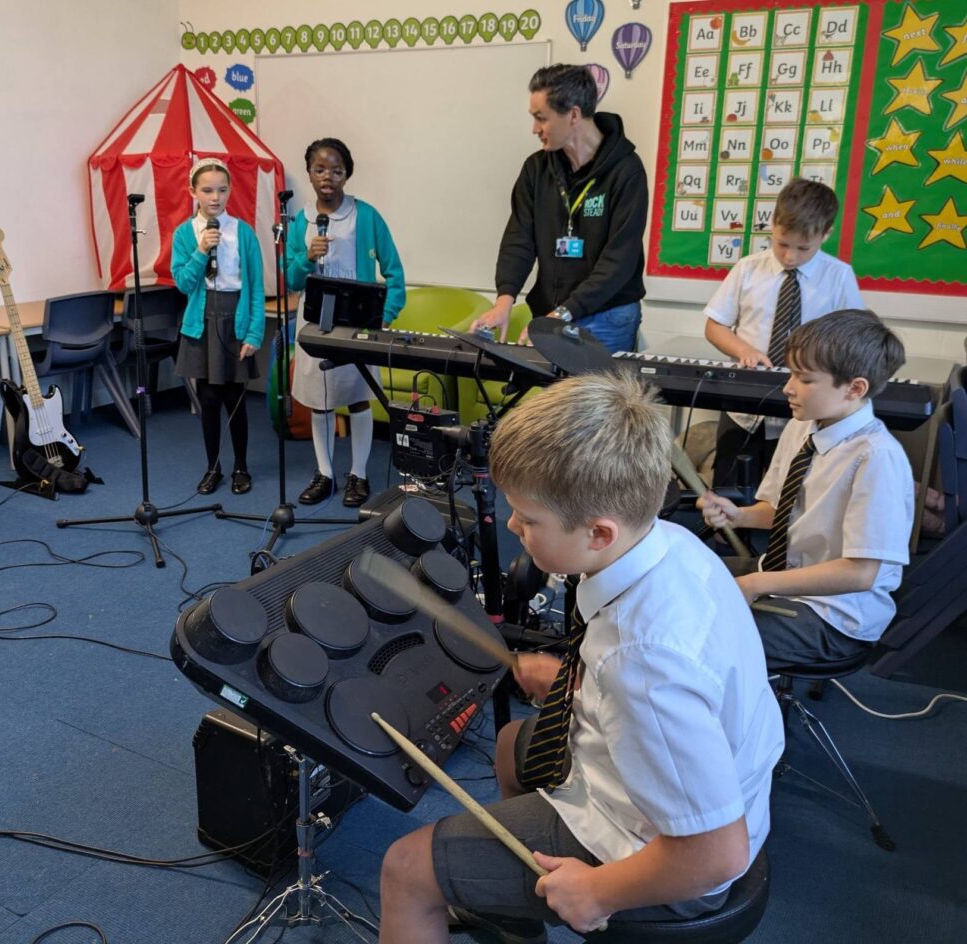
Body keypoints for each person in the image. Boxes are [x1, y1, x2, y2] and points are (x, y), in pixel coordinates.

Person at [379, 372, 784, 944]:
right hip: (690, 791)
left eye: (528, 518)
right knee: (507, 747)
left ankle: (483, 891)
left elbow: (714, 853)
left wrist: (597, 891)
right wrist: (577, 683)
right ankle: (512, 915)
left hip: (671, 863)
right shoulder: (670, 541)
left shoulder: (642, 661)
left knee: (406, 868)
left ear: (598, 532)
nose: (513, 526)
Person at [699, 309, 913, 671]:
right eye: (791, 373)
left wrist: (756, 583)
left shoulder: (877, 458)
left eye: (805, 378)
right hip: (782, 578)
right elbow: (782, 510)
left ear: (854, 389)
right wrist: (739, 516)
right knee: (672, 582)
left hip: (834, 617)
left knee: (693, 636)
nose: (788, 387)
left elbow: (860, 573)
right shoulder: (804, 426)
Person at [470, 64, 648, 354]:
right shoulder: (536, 169)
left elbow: (618, 262)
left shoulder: (626, 171)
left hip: (607, 316)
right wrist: (505, 299)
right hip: (552, 312)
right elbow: (519, 239)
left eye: (542, 119)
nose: (535, 129)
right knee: (552, 400)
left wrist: (562, 315)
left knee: (597, 400)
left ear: (574, 115)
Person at [704, 177, 863, 488]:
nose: (790, 256)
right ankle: (724, 537)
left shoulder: (839, 276)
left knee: (789, 491)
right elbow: (715, 325)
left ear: (825, 234)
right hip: (744, 404)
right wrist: (742, 350)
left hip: (806, 407)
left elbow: (855, 338)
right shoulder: (748, 269)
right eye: (781, 244)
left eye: (803, 248)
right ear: (772, 225)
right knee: (728, 487)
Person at [287, 137, 405, 507]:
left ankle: (359, 474)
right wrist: (306, 258)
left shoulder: (366, 215)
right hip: (314, 324)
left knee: (357, 399)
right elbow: (290, 279)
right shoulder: (299, 221)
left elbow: (394, 272)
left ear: (346, 174)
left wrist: (382, 316)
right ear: (309, 173)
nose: (328, 176)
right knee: (319, 402)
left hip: (357, 325)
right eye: (320, 169)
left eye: (336, 170)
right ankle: (325, 473)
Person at [172, 157, 264, 495]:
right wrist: (200, 251)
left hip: (234, 319)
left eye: (222, 190)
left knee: (234, 398)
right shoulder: (185, 233)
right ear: (193, 191)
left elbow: (254, 286)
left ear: (229, 191)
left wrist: (254, 332)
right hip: (201, 322)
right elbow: (183, 283)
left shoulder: (243, 232)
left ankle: (241, 466)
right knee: (208, 399)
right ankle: (213, 467)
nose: (215, 197)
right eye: (207, 190)